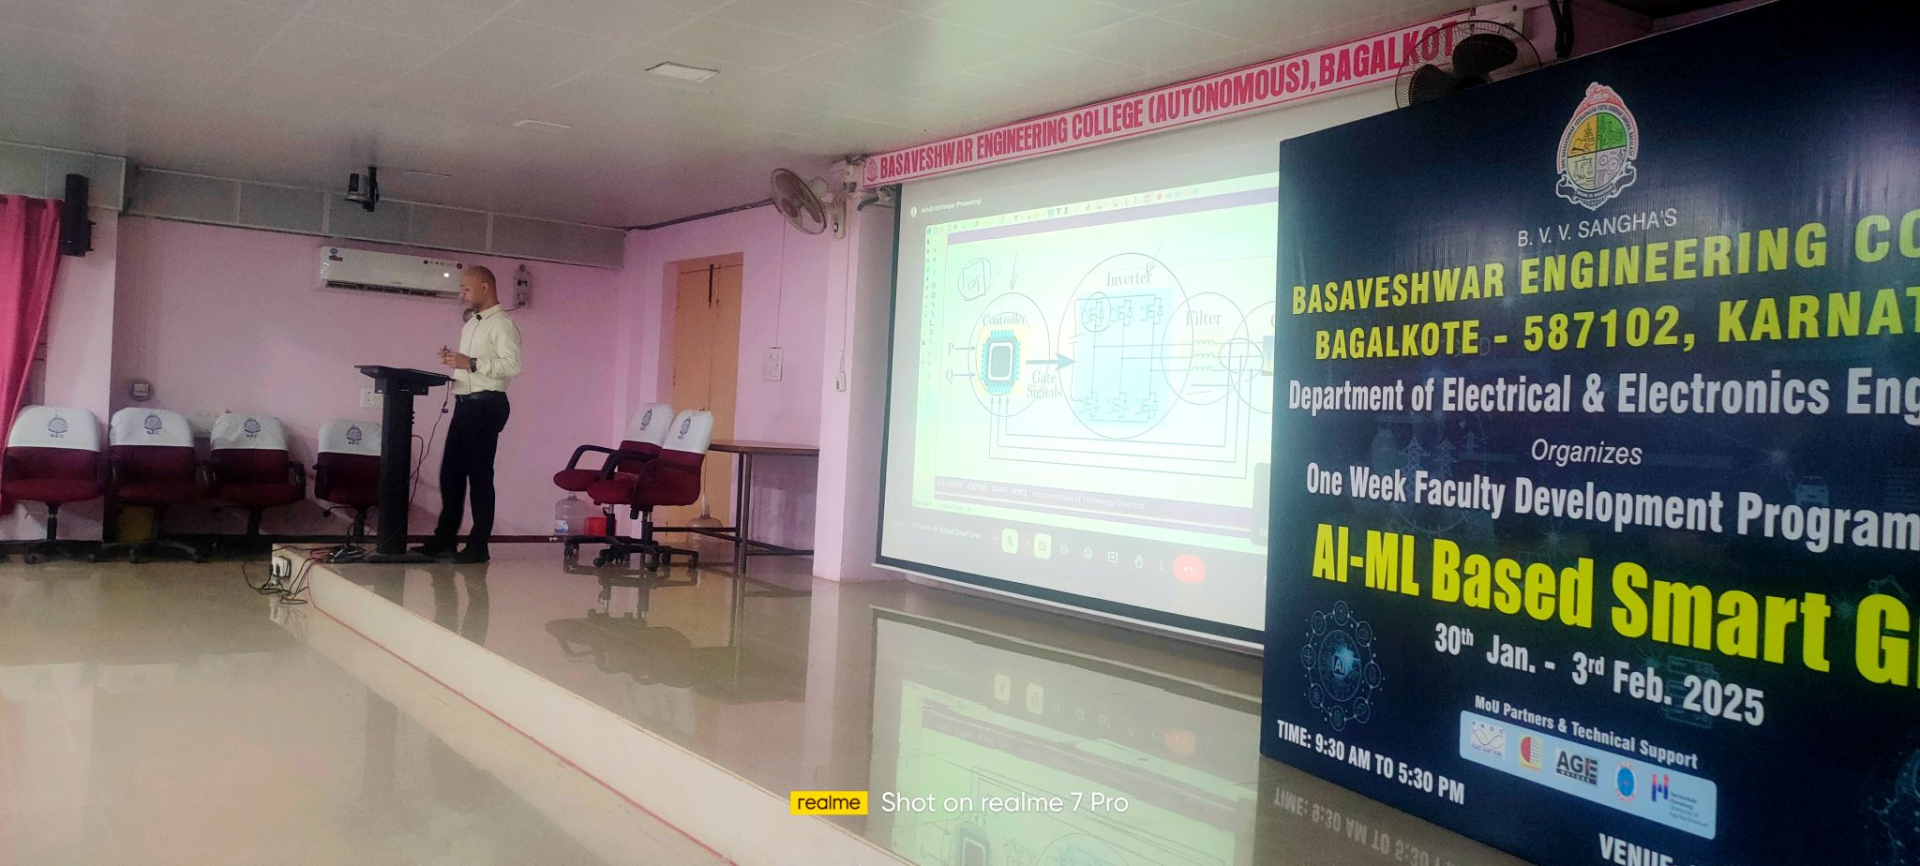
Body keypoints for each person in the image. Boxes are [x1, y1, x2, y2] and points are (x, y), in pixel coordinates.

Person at [413, 266, 522, 562]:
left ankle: (478, 546)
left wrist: (470, 363)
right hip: (465, 403)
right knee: (450, 474)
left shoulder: (502, 324)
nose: (462, 294)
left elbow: (513, 365)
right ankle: (445, 539)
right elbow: (471, 364)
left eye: (466, 288)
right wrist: (455, 360)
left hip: (486, 405)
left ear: (485, 287)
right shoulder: (472, 323)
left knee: (479, 476)